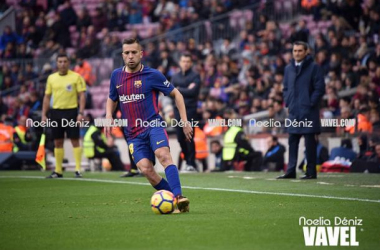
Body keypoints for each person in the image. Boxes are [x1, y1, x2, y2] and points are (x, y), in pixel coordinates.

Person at [105, 38, 192, 213]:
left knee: (163, 155)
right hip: (132, 133)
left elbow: (177, 95)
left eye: (134, 52)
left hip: (153, 125)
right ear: (123, 55)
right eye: (127, 53)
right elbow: (112, 98)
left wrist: (184, 121)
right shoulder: (116, 76)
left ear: (141, 54)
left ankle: (179, 197)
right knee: (146, 169)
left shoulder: (153, 75)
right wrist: (108, 115)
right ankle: (175, 201)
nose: (130, 56)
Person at [278, 41, 325, 180]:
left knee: (310, 143)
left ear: (306, 52)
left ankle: (311, 172)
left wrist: (310, 103)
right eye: (295, 50)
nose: (297, 53)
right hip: (293, 112)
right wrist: (288, 102)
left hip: (308, 112)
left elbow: (320, 88)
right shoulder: (288, 69)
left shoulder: (314, 67)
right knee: (292, 142)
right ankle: (290, 171)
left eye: (300, 50)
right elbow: (285, 88)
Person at [42, 53, 86, 178]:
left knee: (74, 140)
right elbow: (47, 97)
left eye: (64, 61)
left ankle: (78, 170)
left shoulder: (76, 77)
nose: (62, 64)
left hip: (71, 112)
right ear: (56, 63)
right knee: (57, 142)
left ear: (68, 63)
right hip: (55, 113)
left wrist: (81, 113)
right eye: (60, 61)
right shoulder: (51, 78)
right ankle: (58, 170)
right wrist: (44, 115)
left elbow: (82, 95)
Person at [171, 53, 201, 172]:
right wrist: (185, 90)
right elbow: (170, 92)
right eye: (184, 61)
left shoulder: (195, 75)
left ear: (191, 63)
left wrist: (178, 90)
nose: (186, 63)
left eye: (188, 61)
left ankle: (191, 163)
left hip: (190, 110)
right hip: (177, 110)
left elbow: (193, 92)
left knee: (189, 136)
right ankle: (187, 160)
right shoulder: (175, 77)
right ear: (180, 62)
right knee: (179, 138)